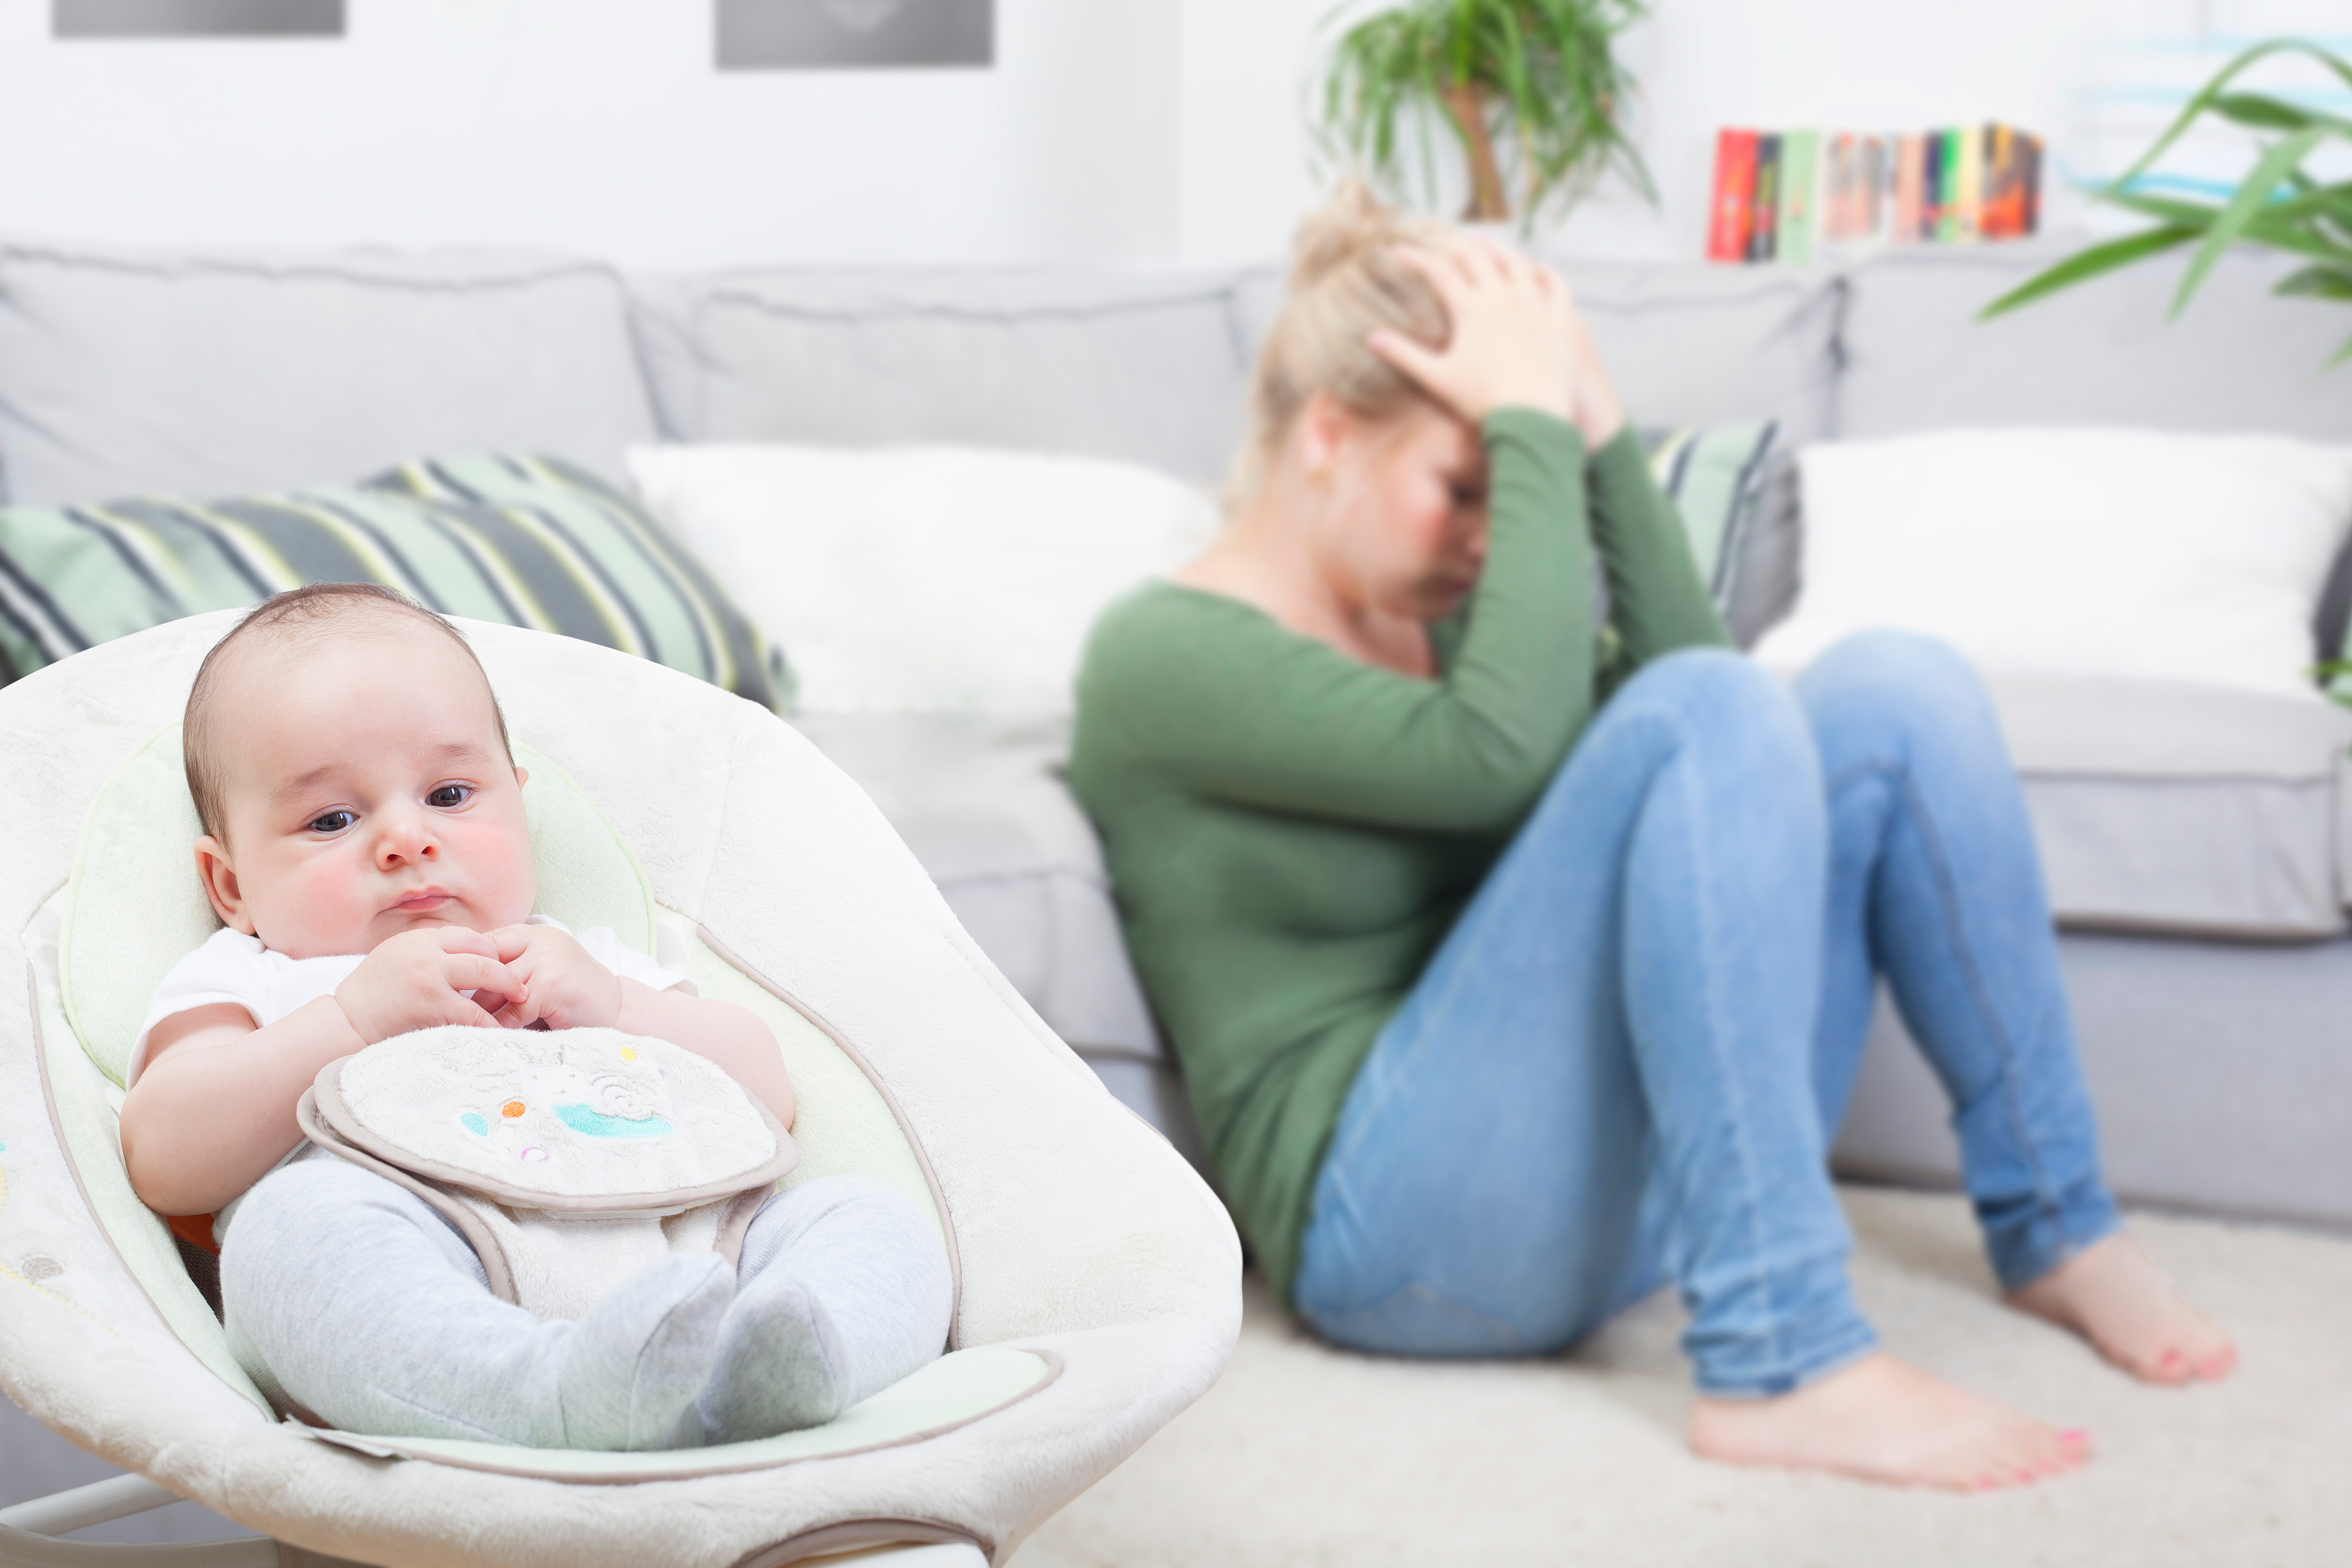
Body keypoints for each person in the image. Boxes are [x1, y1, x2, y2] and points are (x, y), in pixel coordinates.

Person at [1068, 187, 2235, 1492]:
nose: (1488, 541)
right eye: (1467, 487)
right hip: (1391, 1240)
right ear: (1329, 434)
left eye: (1516, 495)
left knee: (1897, 692)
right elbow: (1511, 752)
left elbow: (1724, 719)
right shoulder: (1161, 653)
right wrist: (1523, 413)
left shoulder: (1445, 626)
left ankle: (2057, 1222)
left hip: (1590, 1194)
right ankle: (1782, 1351)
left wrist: (1594, 421)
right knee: (1703, 710)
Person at [119, 583, 951, 1452]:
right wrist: (349, 1018)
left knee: (867, 1216)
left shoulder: (575, 959)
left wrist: (615, 1004)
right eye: (332, 818)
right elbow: (166, 1153)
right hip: (434, 1268)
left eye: (448, 794)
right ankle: (540, 1395)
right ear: (232, 887)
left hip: (691, 1251)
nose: (406, 838)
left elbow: (764, 1090)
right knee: (289, 1238)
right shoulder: (262, 978)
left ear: (519, 802)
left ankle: (797, 1372)